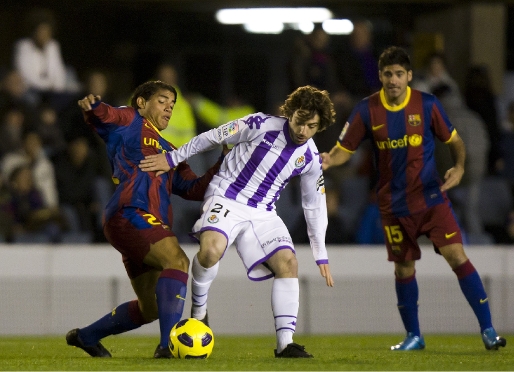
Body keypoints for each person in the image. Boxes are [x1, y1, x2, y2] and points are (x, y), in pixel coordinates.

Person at [321, 46, 506, 351]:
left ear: (408, 76)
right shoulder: (367, 110)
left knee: (457, 257)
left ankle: (488, 330)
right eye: (387, 74)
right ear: (380, 76)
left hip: (431, 200)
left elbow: (455, 141)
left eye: (398, 74)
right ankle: (414, 336)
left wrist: (459, 168)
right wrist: (330, 159)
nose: (393, 80)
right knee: (404, 269)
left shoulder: (428, 105)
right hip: (393, 206)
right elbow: (345, 150)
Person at [139, 85, 336, 358]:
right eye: (301, 121)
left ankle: (285, 344)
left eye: (312, 126)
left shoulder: (311, 158)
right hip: (226, 196)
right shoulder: (259, 124)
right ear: (290, 113)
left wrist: (321, 253)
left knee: (288, 263)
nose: (304, 131)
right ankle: (199, 312)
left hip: (263, 212)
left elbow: (314, 204)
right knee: (209, 252)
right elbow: (211, 137)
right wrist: (172, 158)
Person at [65, 80, 226, 358]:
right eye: (163, 100)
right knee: (177, 261)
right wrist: (93, 108)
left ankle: (86, 336)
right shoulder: (130, 120)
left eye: (172, 104)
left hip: (145, 225)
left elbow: (193, 188)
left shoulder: (172, 151)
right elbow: (106, 115)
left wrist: (223, 161)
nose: (169, 108)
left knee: (149, 308)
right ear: (141, 102)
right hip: (131, 212)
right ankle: (167, 347)